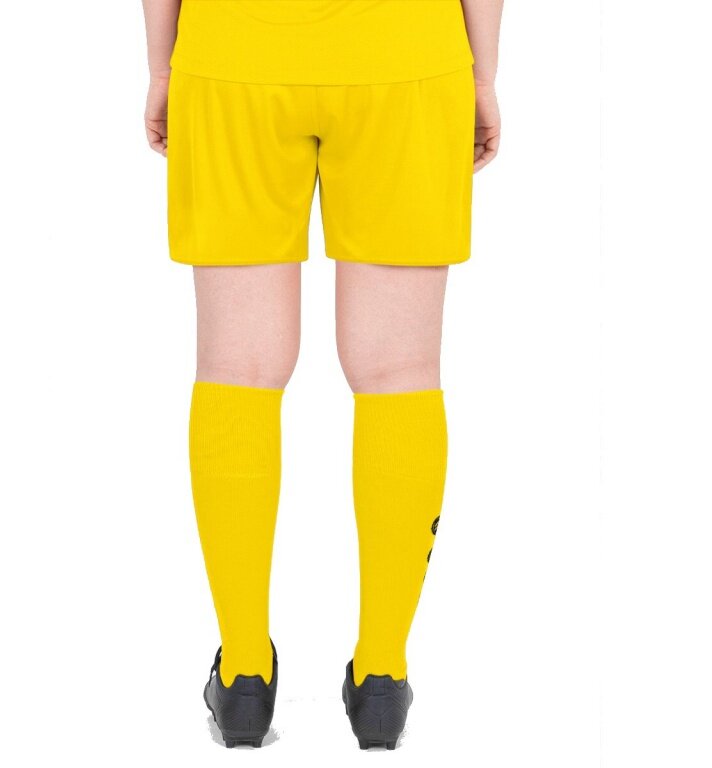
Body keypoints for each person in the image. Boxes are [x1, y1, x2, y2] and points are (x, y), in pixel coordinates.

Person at [141, 0, 502, 750]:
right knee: (399, 370)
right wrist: (483, 73)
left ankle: (244, 673)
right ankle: (381, 676)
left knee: (236, 366)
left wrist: (161, 66)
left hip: (234, 52)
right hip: (405, 52)